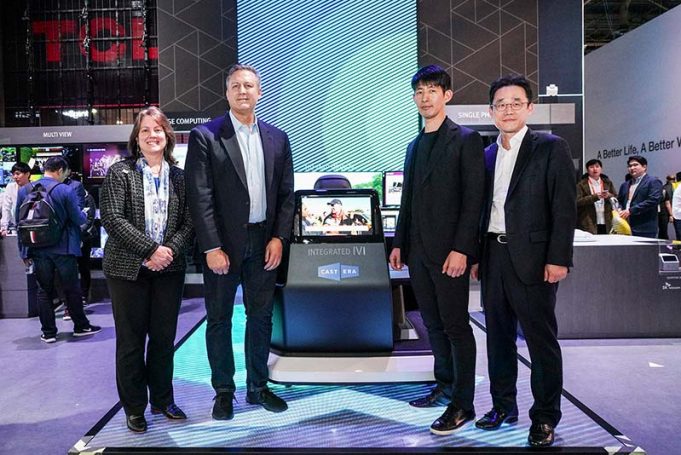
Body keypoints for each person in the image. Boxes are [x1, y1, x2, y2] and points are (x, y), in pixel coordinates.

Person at [470, 75, 576, 447]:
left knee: (540, 340)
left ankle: (544, 417)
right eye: (501, 104)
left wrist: (559, 258)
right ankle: (503, 406)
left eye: (516, 102)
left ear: (530, 108)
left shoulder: (550, 147)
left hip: (534, 258)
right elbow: (480, 210)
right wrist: (476, 255)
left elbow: (563, 207)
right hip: (493, 255)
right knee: (498, 338)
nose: (508, 109)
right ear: (491, 111)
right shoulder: (485, 154)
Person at [185, 64, 294, 420]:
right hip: (223, 245)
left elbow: (286, 196)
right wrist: (211, 247)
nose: (242, 91)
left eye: (248, 85)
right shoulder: (206, 136)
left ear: (259, 92)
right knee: (219, 319)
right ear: (227, 93)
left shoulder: (278, 138)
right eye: (236, 86)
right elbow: (200, 197)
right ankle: (223, 392)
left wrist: (279, 237)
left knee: (260, 317)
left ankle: (258, 387)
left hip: (264, 241)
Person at [389, 64, 485, 436]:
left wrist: (463, 249)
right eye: (419, 91)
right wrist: (399, 243)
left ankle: (463, 403)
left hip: (449, 254)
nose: (425, 97)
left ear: (447, 95)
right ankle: (444, 385)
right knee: (432, 324)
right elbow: (409, 200)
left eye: (432, 90)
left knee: (456, 326)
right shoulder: (414, 145)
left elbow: (473, 201)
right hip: (418, 253)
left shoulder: (466, 139)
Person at [100, 106, 194, 433]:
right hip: (127, 270)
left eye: (158, 129)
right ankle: (135, 408)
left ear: (167, 135)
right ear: (136, 138)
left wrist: (168, 252)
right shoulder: (120, 173)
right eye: (145, 130)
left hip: (169, 269)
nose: (152, 135)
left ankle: (163, 400)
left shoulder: (180, 176)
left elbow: (189, 222)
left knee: (164, 340)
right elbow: (113, 219)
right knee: (131, 342)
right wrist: (151, 250)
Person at [16, 156, 101, 343]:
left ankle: (48, 333)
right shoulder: (65, 190)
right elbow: (78, 218)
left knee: (43, 290)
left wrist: (23, 251)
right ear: (60, 170)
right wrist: (84, 215)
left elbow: (19, 222)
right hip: (64, 247)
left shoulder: (25, 190)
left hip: (37, 248)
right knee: (71, 288)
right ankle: (80, 326)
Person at [616, 156, 663, 238]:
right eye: (630, 166)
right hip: (625, 226)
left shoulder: (653, 181)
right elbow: (619, 200)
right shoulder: (625, 185)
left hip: (644, 227)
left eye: (635, 165)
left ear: (644, 167)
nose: (632, 168)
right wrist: (619, 208)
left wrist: (631, 211)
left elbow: (653, 200)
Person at [576, 159, 616, 234]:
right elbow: (577, 201)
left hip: (606, 220)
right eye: (591, 167)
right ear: (587, 170)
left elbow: (615, 197)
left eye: (597, 166)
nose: (595, 169)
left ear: (601, 169)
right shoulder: (581, 184)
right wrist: (594, 197)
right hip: (589, 221)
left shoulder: (607, 182)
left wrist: (608, 195)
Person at [1, 162, 32, 236]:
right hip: (15, 226)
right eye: (13, 174)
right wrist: (4, 227)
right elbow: (6, 208)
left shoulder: (34, 187)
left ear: (27, 174)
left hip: (31, 225)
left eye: (18, 174)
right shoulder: (11, 187)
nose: (15, 177)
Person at [658, 175, 675, 239]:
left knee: (663, 231)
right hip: (661, 213)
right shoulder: (664, 189)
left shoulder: (664, 190)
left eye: (673, 179)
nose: (672, 180)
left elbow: (668, 203)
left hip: (665, 212)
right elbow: (668, 203)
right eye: (671, 179)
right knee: (662, 231)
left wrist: (671, 214)